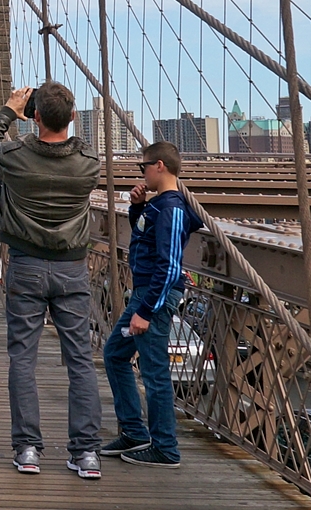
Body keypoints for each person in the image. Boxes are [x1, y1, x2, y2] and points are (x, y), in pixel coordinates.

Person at [0, 81, 103, 480]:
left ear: (33, 117)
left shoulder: (15, 158)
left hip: (27, 266)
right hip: (72, 269)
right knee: (81, 361)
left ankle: (28, 449)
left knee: (23, 359)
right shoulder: (89, 164)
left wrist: (8, 110)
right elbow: (73, 146)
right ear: (72, 117)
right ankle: (86, 454)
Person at [103, 140, 202, 468]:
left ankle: (165, 448)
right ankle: (134, 432)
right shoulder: (159, 205)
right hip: (145, 294)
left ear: (160, 166)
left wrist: (145, 311)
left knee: (154, 371)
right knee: (115, 354)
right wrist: (137, 207)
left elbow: (170, 264)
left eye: (143, 166)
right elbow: (144, 238)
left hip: (153, 298)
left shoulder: (172, 208)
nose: (141, 171)